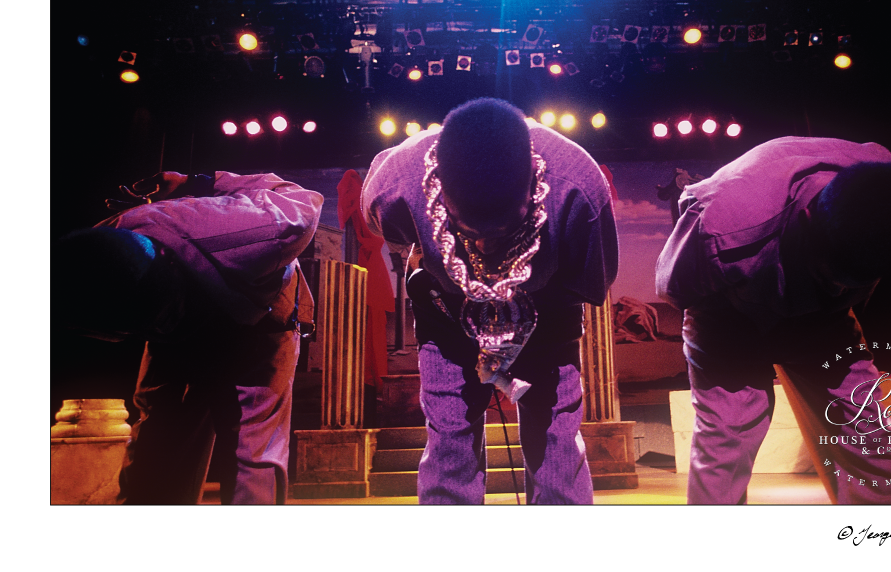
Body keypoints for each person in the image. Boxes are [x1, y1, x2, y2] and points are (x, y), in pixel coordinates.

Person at [361, 97, 618, 504]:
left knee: (557, 451)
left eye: (503, 229)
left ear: (534, 179)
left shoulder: (578, 188)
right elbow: (393, 236)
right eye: (467, 228)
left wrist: (514, 338)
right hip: (446, 317)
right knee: (449, 450)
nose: (484, 245)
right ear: (440, 193)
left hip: (547, 316)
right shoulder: (393, 187)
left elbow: (588, 283)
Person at [655, 136, 891, 504]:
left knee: (868, 430)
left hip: (823, 320)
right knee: (728, 435)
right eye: (831, 276)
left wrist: (830, 292)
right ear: (808, 221)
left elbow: (843, 283)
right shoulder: (723, 223)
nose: (839, 289)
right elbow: (674, 288)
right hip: (727, 315)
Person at [54, 170, 323, 504]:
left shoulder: (265, 227)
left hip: (259, 328)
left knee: (253, 455)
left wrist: (201, 182)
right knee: (158, 450)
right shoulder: (93, 258)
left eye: (168, 316)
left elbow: (302, 197)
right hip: (175, 338)